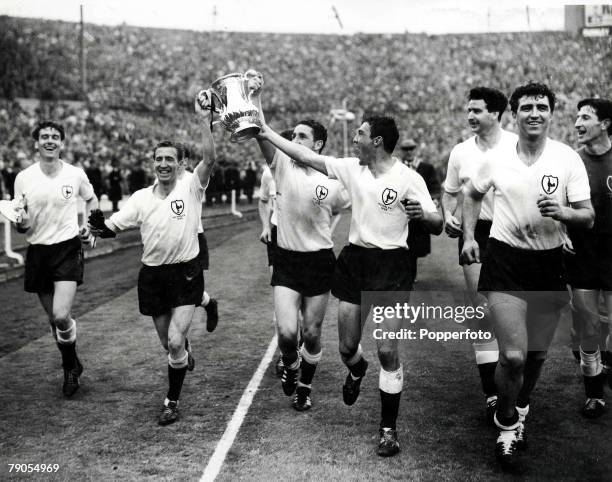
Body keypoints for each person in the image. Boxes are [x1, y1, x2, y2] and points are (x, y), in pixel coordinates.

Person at [258, 113, 442, 456]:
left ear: (377, 142)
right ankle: (357, 370)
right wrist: (264, 130)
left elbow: (437, 222)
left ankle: (388, 429)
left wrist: (423, 215)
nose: (354, 139)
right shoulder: (350, 168)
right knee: (346, 348)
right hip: (356, 261)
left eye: (360, 134)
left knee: (387, 348)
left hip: (393, 267)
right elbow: (305, 156)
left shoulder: (408, 178)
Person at [461, 82, 594, 471]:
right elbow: (471, 194)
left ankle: (519, 409)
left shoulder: (567, 158)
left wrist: (564, 213)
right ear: (513, 115)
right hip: (504, 263)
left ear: (552, 113)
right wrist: (469, 236)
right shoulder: (497, 158)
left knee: (535, 355)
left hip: (549, 265)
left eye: (541, 106)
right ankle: (506, 426)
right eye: (526, 107)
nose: (534, 113)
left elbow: (587, 215)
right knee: (514, 355)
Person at [88, 91, 216, 426]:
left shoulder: (190, 187)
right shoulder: (141, 198)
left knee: (175, 341)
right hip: (153, 276)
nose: (163, 164)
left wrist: (205, 122)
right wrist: (93, 229)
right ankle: (182, 352)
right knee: (169, 345)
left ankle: (171, 401)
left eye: (169, 159)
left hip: (187, 273)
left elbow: (211, 160)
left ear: (180, 164)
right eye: (158, 159)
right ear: (152, 163)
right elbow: (113, 225)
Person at [250, 72, 350, 412]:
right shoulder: (279, 166)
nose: (294, 140)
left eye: (301, 137)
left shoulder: (335, 178)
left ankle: (304, 388)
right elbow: (260, 131)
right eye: (292, 135)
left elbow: (359, 201)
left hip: (320, 261)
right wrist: (256, 97)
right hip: (288, 261)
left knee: (311, 333)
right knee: (288, 334)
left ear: (317, 145)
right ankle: (291, 368)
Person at [441, 86, 518, 423]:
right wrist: (449, 216)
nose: (470, 116)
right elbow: (449, 193)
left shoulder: (517, 145)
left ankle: (514, 384)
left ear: (496, 113)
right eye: (468, 110)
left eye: (477, 110)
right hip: (478, 234)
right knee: (481, 310)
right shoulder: (461, 152)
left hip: (512, 233)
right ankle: (491, 392)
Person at [12, 120, 99, 397]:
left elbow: (92, 200)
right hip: (38, 252)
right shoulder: (24, 178)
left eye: (55, 137)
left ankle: (68, 368)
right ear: (36, 143)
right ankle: (72, 363)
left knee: (62, 315)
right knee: (54, 321)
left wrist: (90, 227)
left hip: (67, 248)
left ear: (62, 143)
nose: (50, 140)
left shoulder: (74, 174)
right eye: (44, 136)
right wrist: (21, 223)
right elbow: (20, 222)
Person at [565, 97, 612, 418]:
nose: (578, 123)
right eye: (577, 117)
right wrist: (561, 231)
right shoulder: (572, 162)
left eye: (586, 117)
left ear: (605, 124)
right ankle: (594, 395)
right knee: (589, 328)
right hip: (582, 255)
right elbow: (557, 203)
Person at [178, 143, 219, 332]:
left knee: (189, 294)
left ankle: (209, 304)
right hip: (169, 242)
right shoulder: (158, 182)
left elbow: (209, 160)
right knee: (172, 291)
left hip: (193, 239)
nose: (166, 164)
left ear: (184, 161)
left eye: (173, 159)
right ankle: (208, 302)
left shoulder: (192, 179)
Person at [399, 138, 440, 283]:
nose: (409, 152)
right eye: (406, 149)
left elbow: (435, 188)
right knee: (399, 246)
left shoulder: (426, 168)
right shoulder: (397, 168)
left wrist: (434, 200)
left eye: (411, 149)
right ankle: (402, 275)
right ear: (401, 151)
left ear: (415, 150)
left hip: (419, 214)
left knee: (414, 249)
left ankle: (411, 276)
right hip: (399, 214)